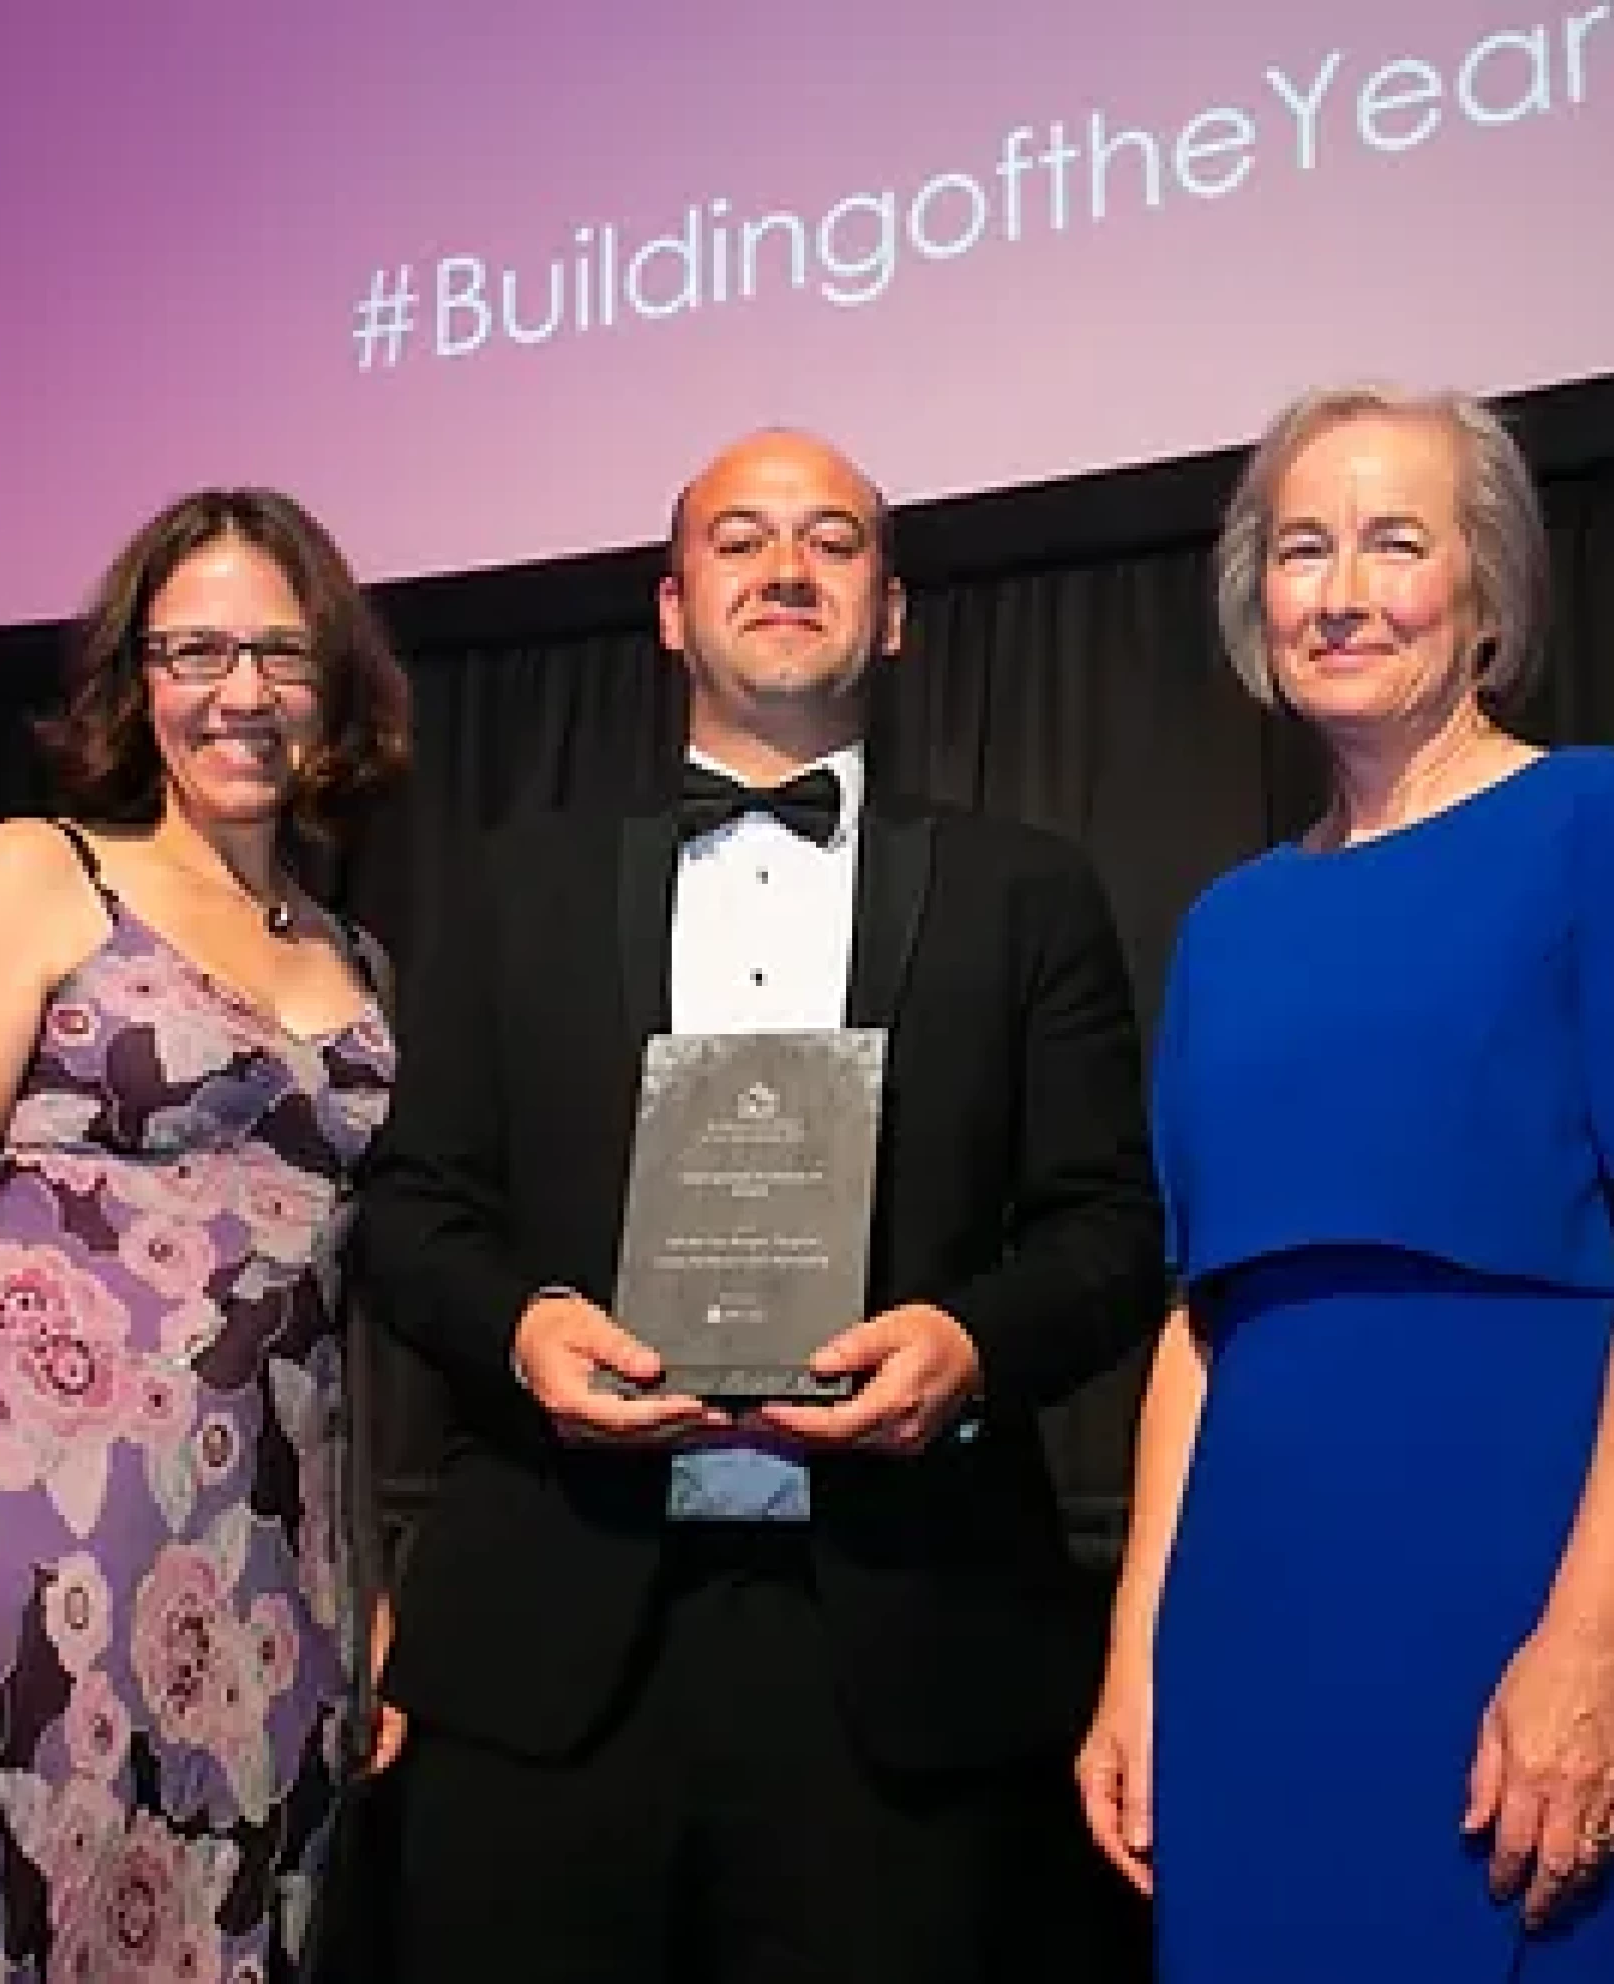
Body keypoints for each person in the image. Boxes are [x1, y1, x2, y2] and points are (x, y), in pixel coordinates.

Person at [354, 427, 1168, 1984]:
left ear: (895, 611)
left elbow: (1112, 1230)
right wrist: (524, 1332)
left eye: (832, 541)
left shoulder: (1025, 891)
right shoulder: (517, 885)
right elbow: (410, 1210)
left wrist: (969, 1349)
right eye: (740, 539)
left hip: (904, 1657)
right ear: (672, 607)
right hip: (550, 1647)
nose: (786, 568)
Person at [1077, 384, 1614, 1980]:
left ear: (1488, 595)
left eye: (1396, 542)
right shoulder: (1227, 925)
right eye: (1301, 549)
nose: (1341, 592)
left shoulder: (1609, 823)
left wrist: (1592, 1640)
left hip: (1531, 1596)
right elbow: (1200, 1328)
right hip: (1259, 1629)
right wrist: (1138, 1661)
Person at [0, 487, 413, 1982]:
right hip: (37, 1552)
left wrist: (367, 1585)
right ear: (138, 680)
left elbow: (346, 1311)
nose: (239, 692)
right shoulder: (42, 873)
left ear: (332, 684)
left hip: (274, 1585)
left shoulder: (362, 963)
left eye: (280, 653)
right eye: (195, 650)